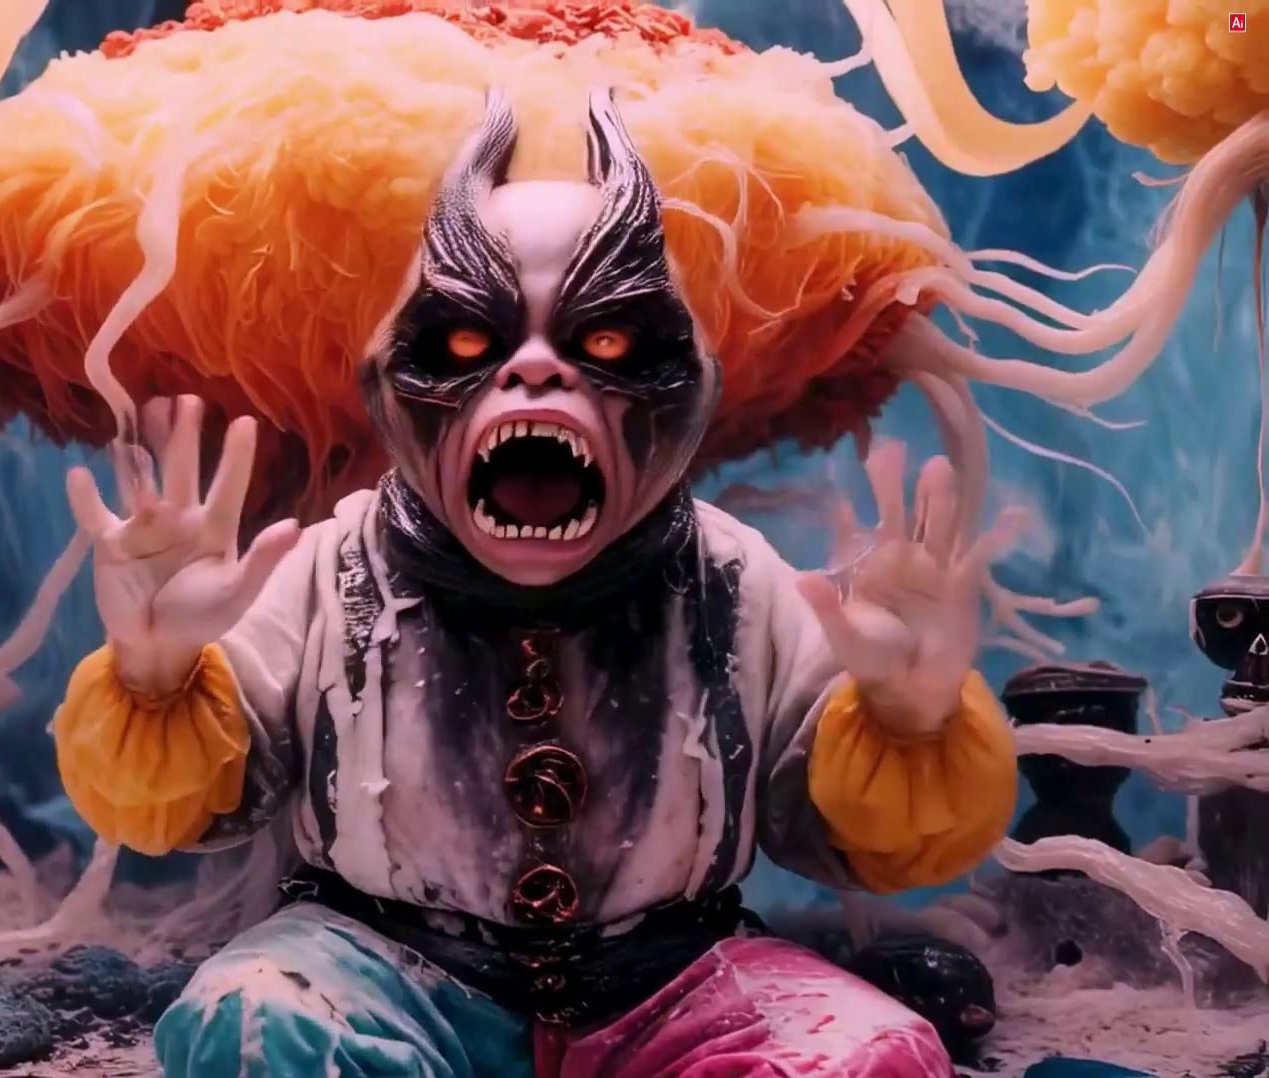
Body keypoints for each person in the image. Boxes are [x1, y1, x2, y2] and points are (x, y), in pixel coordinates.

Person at [52, 89, 1018, 1077]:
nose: (537, 374)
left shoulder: (734, 579)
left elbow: (838, 832)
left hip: (674, 975)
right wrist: (155, 678)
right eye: (469, 344)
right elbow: (190, 808)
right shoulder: (334, 569)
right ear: (391, 382)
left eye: (607, 344)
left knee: (875, 1055)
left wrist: (907, 719)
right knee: (255, 1023)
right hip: (379, 965)